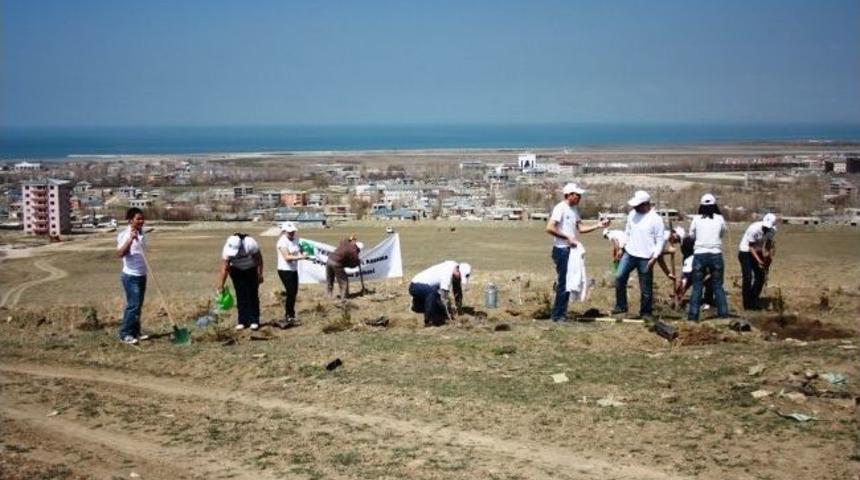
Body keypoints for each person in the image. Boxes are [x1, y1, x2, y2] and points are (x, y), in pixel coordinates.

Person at [545, 183, 609, 322]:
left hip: (571, 250)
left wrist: (598, 225)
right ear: (569, 194)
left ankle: (560, 314)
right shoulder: (560, 208)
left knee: (568, 282)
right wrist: (567, 237)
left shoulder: (574, 210)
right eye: (577, 195)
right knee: (564, 283)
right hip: (561, 250)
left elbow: (580, 228)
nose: (579, 197)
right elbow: (549, 228)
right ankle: (557, 316)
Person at [612, 190, 665, 321]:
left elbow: (660, 240)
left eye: (637, 205)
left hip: (646, 258)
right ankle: (621, 306)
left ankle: (645, 312)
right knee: (619, 277)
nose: (634, 207)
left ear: (646, 204)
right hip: (629, 253)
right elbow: (627, 233)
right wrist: (622, 248)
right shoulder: (632, 215)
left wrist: (654, 257)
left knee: (645, 288)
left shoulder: (656, 219)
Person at [687, 193, 730, 321]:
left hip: (699, 254)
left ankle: (693, 316)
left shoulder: (696, 219)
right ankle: (723, 314)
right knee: (718, 286)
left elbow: (692, 236)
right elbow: (722, 233)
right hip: (715, 254)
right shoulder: (719, 218)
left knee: (697, 286)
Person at [217, 233, 264, 330]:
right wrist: (221, 285)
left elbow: (259, 259)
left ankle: (254, 320)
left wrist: (259, 274)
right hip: (236, 270)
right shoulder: (226, 249)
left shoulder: (250, 243)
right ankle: (242, 321)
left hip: (251, 269)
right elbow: (225, 267)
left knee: (252, 294)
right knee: (240, 295)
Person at [117, 207, 148, 344]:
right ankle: (125, 334)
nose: (141, 221)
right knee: (133, 305)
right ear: (130, 220)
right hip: (130, 276)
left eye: (142, 218)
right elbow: (120, 253)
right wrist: (130, 240)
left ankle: (135, 332)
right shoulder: (124, 234)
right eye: (138, 219)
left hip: (142, 274)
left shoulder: (142, 233)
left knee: (138, 305)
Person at [408, 261, 472, 326]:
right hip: (415, 286)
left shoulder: (455, 269)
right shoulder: (447, 273)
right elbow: (444, 298)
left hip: (426, 288)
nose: (459, 278)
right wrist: (450, 316)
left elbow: (457, 292)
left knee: (437, 297)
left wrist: (459, 309)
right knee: (434, 293)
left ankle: (417, 305)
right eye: (460, 276)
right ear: (457, 270)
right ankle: (429, 321)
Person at [737, 213, 777, 310]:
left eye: (768, 228)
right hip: (745, 251)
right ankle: (747, 304)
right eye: (765, 227)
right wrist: (759, 260)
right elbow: (751, 247)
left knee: (760, 277)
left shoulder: (773, 231)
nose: (765, 229)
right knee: (748, 277)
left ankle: (753, 299)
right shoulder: (753, 228)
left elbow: (768, 244)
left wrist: (767, 255)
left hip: (758, 250)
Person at [276, 222, 308, 328]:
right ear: (284, 231)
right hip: (284, 270)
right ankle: (288, 315)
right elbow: (287, 257)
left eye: (293, 231)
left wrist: (304, 252)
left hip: (293, 270)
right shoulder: (282, 242)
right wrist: (301, 257)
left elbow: (301, 249)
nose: (292, 233)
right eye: (289, 232)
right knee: (290, 292)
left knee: (294, 292)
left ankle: (291, 315)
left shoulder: (296, 239)